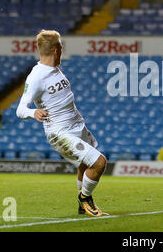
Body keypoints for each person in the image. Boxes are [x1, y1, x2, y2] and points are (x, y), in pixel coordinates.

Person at [16, 30, 108, 217]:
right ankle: (85, 198)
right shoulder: (36, 77)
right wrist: (34, 112)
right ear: (57, 50)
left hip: (77, 125)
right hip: (60, 132)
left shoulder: (55, 69)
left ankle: (83, 205)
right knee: (99, 163)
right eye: (61, 46)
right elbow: (20, 109)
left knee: (84, 164)